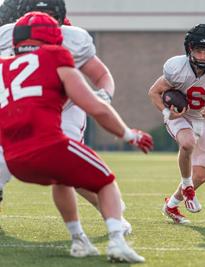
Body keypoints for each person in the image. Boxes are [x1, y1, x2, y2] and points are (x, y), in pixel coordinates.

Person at [0, 11, 153, 262]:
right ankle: (117, 239)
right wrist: (129, 135)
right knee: (106, 182)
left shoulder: (3, 65)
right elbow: (96, 107)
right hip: (49, 146)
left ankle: (79, 239)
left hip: (14, 158)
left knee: (63, 179)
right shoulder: (55, 56)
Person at [148, 24, 205, 224]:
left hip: (202, 119)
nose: (202, 56)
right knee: (187, 143)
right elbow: (153, 92)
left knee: (202, 176)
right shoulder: (177, 69)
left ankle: (171, 205)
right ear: (189, 50)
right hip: (180, 118)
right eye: (198, 51)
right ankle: (187, 186)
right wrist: (168, 112)